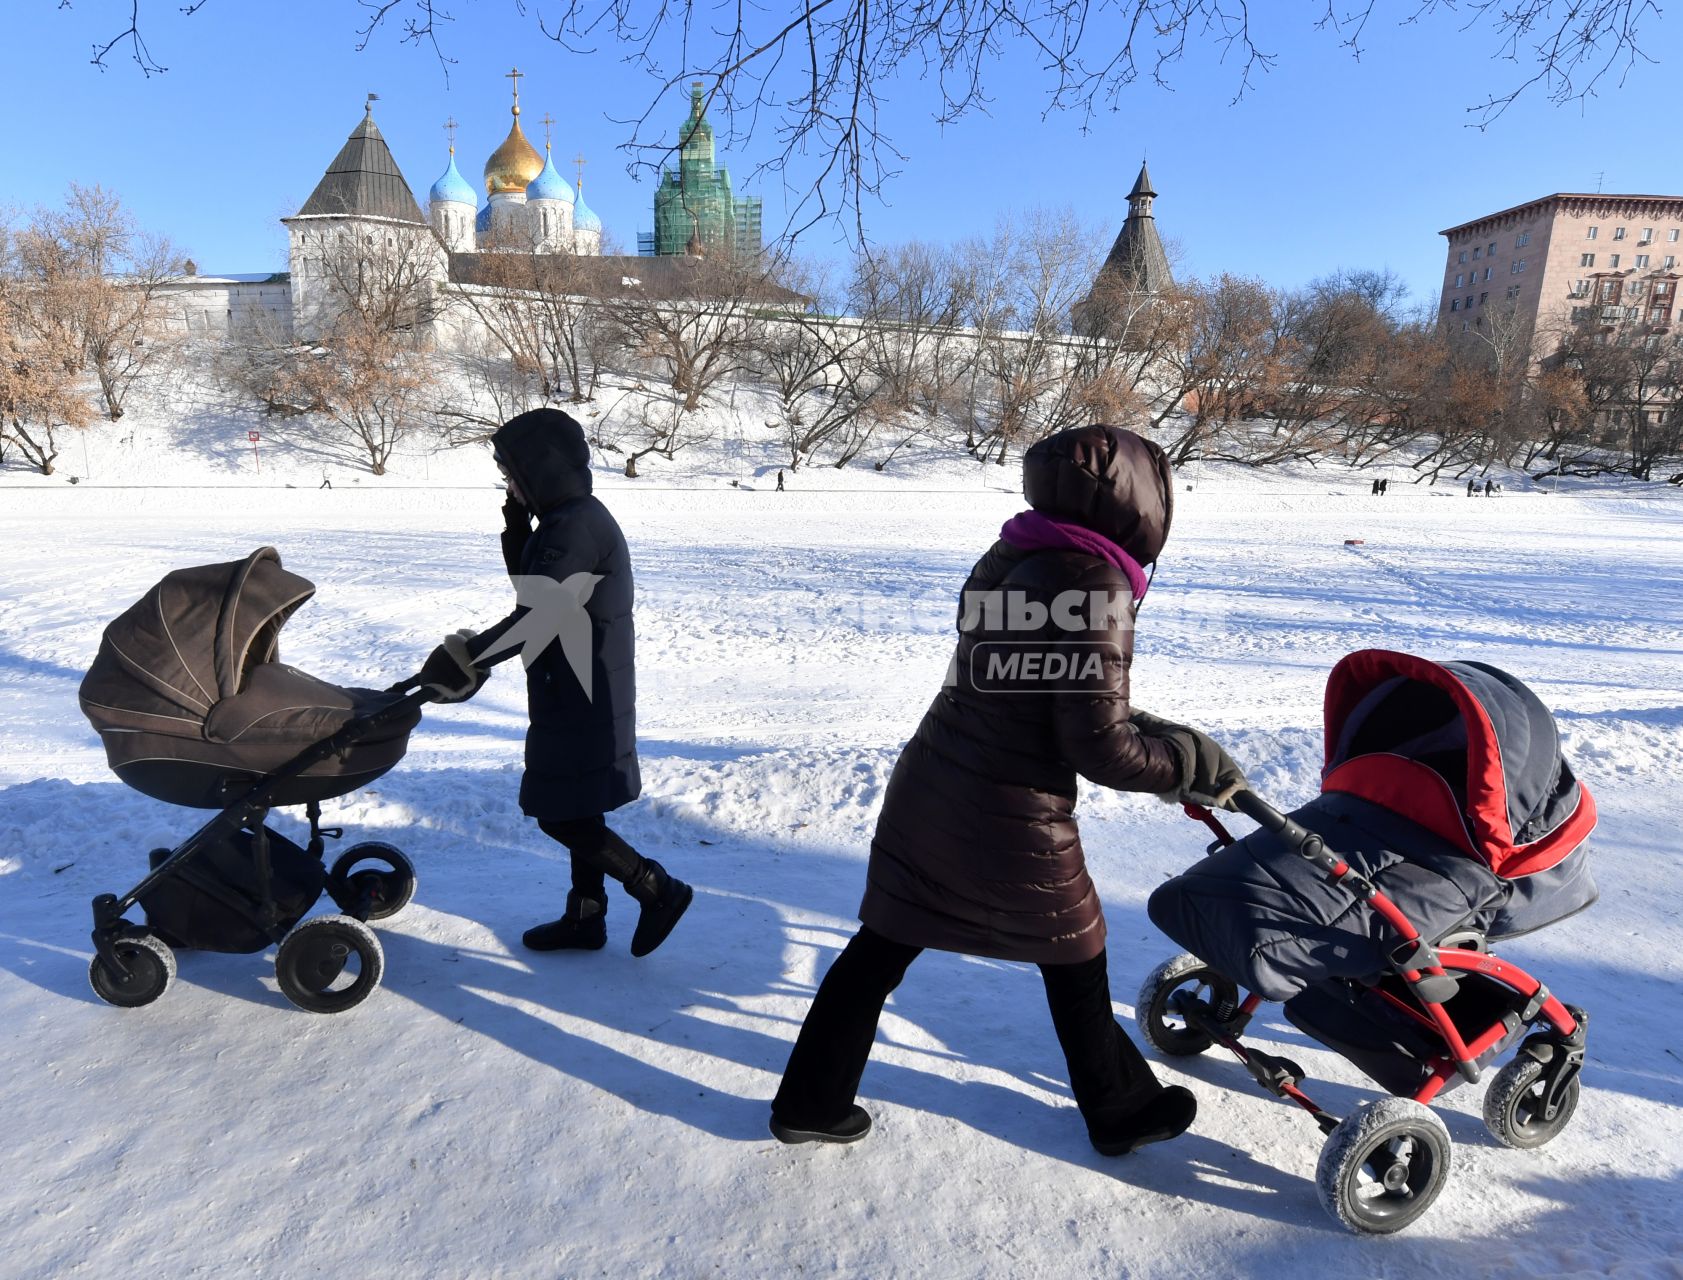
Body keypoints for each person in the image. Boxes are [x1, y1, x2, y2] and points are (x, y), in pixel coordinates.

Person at [769, 424, 1245, 1154]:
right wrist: (1183, 765)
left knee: (884, 944)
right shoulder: (1095, 579)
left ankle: (810, 1100)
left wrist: (1141, 724)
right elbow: (1098, 746)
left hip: (936, 776)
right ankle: (1119, 1110)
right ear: (1137, 499)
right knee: (1074, 947)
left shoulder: (1016, 549)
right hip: (1007, 803)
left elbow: (1029, 683)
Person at [419, 408, 693, 958]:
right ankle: (585, 916)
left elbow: (536, 615)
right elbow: (536, 588)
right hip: (573, 684)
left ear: (541, 468)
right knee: (578, 803)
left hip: (583, 693)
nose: (509, 483)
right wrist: (518, 527)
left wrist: (469, 659)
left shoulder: (575, 526)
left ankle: (656, 888)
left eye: (512, 473)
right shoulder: (567, 521)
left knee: (559, 813)